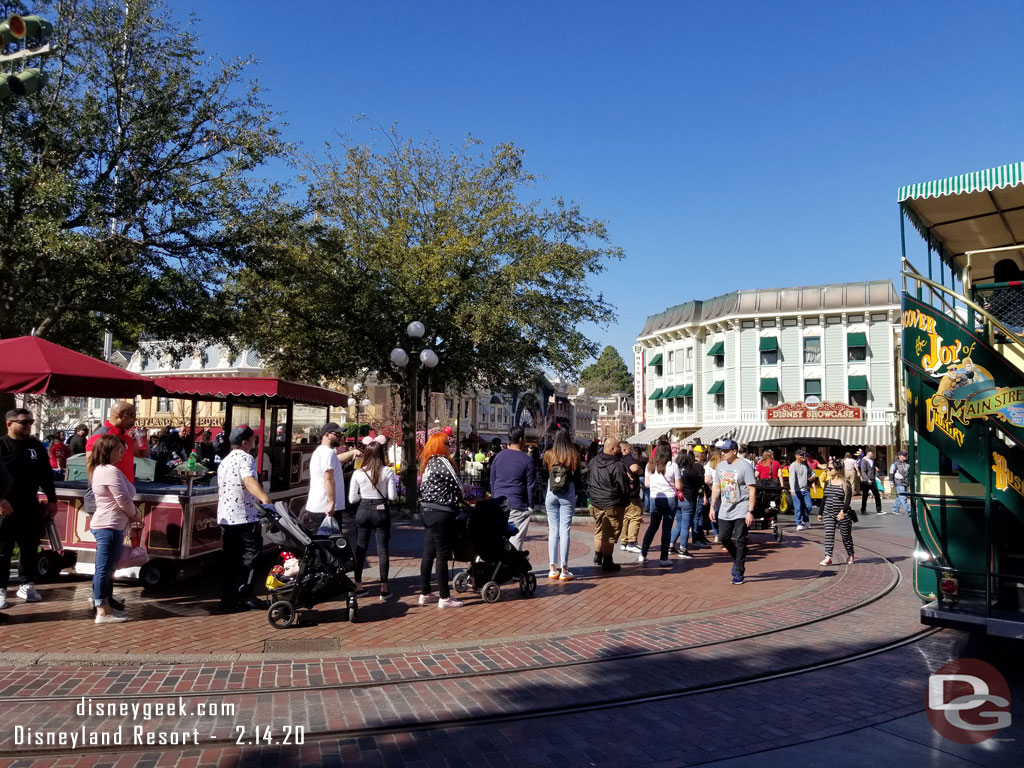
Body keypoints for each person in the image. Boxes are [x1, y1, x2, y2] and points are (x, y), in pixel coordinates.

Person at [0, 408, 57, 608]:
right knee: (3, 550)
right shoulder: (2, 445)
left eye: (31, 422)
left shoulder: (36, 446)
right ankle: (1, 589)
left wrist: (52, 499)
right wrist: (1, 500)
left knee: (30, 547)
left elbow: (46, 474)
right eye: (24, 422)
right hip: (6, 506)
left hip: (30, 505)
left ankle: (27, 583)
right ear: (10, 424)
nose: (28, 426)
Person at [87, 434, 144, 623]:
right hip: (109, 525)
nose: (122, 453)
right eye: (119, 449)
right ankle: (102, 610)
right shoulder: (109, 471)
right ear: (108, 450)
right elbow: (123, 500)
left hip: (110, 524)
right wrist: (136, 515)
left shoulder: (101, 470)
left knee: (107, 568)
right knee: (104, 569)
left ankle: (106, 604)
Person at [215, 425, 271, 612]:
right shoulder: (246, 458)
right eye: (253, 440)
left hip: (226, 517)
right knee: (250, 557)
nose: (255, 442)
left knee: (231, 559)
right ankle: (246, 594)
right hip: (244, 517)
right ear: (245, 443)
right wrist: (264, 498)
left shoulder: (225, 461)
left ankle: (228, 598)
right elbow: (248, 481)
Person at [417, 433, 465, 608]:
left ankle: (425, 592)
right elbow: (457, 484)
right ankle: (444, 597)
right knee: (442, 555)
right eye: (448, 443)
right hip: (441, 511)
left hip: (426, 510)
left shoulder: (428, 462)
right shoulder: (442, 461)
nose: (450, 447)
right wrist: (464, 496)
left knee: (428, 553)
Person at [348, 438, 397, 600]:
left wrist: (365, 495)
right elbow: (392, 496)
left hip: (363, 509)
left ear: (367, 454)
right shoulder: (387, 471)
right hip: (380, 510)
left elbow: (352, 499)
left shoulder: (358, 473)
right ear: (381, 454)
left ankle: (358, 585)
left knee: (361, 547)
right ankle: (384, 588)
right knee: (382, 549)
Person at [710, 439, 756, 585]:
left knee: (740, 539)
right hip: (725, 508)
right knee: (723, 537)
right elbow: (716, 487)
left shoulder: (745, 466)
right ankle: (737, 558)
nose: (722, 453)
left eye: (725, 451)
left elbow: (752, 489)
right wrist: (712, 506)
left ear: (734, 451)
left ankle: (739, 572)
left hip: (742, 507)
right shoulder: (721, 466)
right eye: (721, 451)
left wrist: (750, 511)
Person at [305, 423, 361, 534]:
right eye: (337, 434)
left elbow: (337, 460)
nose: (340, 437)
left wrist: (352, 452)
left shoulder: (324, 452)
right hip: (326, 507)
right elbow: (328, 479)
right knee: (330, 545)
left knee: (326, 543)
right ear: (327, 435)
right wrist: (331, 503)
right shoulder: (327, 453)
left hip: (321, 506)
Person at [541, 429, 581, 581]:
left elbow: (544, 474)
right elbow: (577, 477)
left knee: (553, 530)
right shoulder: (573, 454)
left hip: (551, 492)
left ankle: (552, 568)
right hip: (567, 492)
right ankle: (564, 569)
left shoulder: (549, 454)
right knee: (565, 530)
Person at [586, 437, 631, 572]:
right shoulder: (617, 465)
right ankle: (608, 560)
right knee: (610, 533)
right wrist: (625, 500)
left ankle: (597, 556)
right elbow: (623, 487)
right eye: (618, 447)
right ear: (613, 449)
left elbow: (588, 479)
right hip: (612, 503)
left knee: (599, 528)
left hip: (595, 502)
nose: (619, 450)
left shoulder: (593, 462)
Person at [489, 427, 536, 552]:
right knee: (515, 539)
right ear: (521, 439)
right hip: (517, 503)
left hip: (498, 503)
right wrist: (531, 506)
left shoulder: (498, 457)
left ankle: (503, 564)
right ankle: (510, 565)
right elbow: (530, 485)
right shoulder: (527, 460)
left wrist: (494, 498)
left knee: (499, 536)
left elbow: (493, 480)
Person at [86, 402, 149, 483]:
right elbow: (92, 469)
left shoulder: (125, 436)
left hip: (123, 491)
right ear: (119, 415)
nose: (135, 419)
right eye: (132, 415)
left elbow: (142, 454)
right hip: (108, 493)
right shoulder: (101, 436)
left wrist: (142, 437)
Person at [641, 441, 681, 566]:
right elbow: (679, 485)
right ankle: (663, 558)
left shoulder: (650, 466)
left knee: (652, 527)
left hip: (655, 498)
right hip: (669, 498)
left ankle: (643, 553)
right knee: (666, 529)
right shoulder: (673, 466)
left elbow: (646, 484)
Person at [817, 460, 855, 566]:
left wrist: (842, 512)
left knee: (845, 536)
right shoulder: (827, 483)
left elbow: (848, 500)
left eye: (830, 469)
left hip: (843, 514)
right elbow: (824, 498)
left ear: (837, 470)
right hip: (828, 512)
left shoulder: (845, 483)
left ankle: (851, 554)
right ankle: (828, 557)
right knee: (829, 534)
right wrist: (820, 513)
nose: (827, 470)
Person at [671, 450, 707, 555]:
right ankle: (683, 548)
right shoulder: (691, 470)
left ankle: (671, 544)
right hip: (688, 498)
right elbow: (700, 482)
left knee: (678, 523)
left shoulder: (675, 469)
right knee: (686, 525)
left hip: (677, 497)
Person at [618, 440, 645, 554]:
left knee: (625, 517)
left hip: (623, 493)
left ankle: (624, 542)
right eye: (629, 448)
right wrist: (641, 471)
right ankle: (632, 542)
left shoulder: (618, 460)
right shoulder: (628, 458)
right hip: (632, 493)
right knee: (636, 515)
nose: (631, 450)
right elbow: (634, 468)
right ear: (625, 450)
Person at [788, 450, 813, 531]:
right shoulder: (793, 466)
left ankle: (805, 519)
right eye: (801, 455)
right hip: (796, 490)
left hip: (805, 489)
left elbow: (812, 473)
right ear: (796, 456)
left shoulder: (805, 464)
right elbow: (791, 478)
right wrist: (792, 489)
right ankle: (799, 523)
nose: (803, 457)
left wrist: (812, 477)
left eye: (803, 455)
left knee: (809, 506)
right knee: (798, 507)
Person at [859, 450, 882, 515]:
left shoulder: (872, 460)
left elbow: (873, 470)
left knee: (877, 494)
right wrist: (867, 479)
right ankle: (863, 509)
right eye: (871, 453)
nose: (872, 454)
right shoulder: (864, 460)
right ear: (868, 453)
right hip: (866, 481)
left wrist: (875, 477)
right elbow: (863, 471)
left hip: (873, 480)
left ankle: (879, 510)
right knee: (865, 496)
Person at [889, 450, 912, 516]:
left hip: (906, 482)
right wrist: (891, 482)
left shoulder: (908, 463)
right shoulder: (895, 464)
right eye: (904, 455)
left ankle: (895, 509)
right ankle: (908, 511)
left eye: (906, 455)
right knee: (903, 496)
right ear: (899, 456)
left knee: (900, 496)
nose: (905, 456)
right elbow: (891, 473)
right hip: (899, 482)